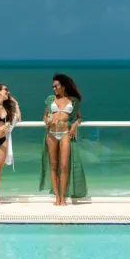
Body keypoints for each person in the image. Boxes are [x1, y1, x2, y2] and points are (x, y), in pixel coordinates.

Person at [39, 73, 87, 206]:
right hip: (51, 133)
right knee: (54, 165)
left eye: (56, 86)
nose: (54, 88)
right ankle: (57, 198)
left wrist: (74, 127)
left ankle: (64, 196)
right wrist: (46, 121)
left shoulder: (73, 101)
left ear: (63, 86)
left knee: (64, 165)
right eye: (53, 86)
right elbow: (45, 115)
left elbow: (78, 118)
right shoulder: (50, 99)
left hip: (66, 133)